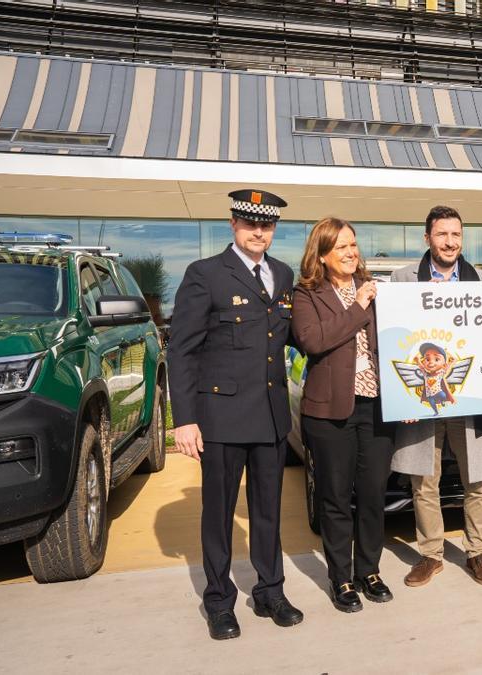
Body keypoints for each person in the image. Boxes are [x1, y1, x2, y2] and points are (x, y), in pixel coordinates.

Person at [169, 189, 303, 640]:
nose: (258, 231)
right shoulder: (205, 274)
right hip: (221, 418)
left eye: (266, 224)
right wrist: (184, 419)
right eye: (249, 223)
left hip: (269, 417)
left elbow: (296, 337)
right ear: (233, 224)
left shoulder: (282, 274)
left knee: (268, 513)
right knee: (219, 515)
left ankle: (271, 591)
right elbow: (182, 351)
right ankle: (220, 601)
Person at [390, 205, 482, 587]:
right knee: (424, 479)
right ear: (428, 238)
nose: (450, 242)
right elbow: (394, 341)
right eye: (442, 235)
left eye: (456, 235)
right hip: (422, 399)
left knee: (479, 479)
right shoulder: (402, 280)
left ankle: (477, 552)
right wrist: (399, 396)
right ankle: (430, 555)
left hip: (471, 399)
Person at [291, 217, 395, 613]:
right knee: (335, 499)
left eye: (353, 245)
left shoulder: (375, 289)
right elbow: (314, 341)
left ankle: (369, 570)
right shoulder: (307, 294)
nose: (351, 253)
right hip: (330, 413)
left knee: (372, 495)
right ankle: (342, 578)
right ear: (321, 255)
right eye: (341, 247)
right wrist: (358, 306)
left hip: (377, 409)